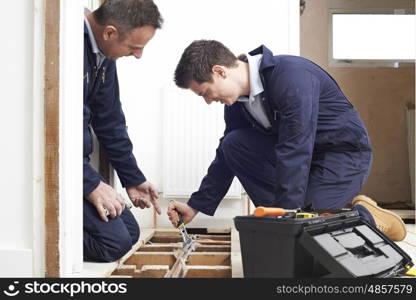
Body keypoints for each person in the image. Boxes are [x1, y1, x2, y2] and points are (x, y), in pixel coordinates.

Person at [167, 40, 406, 242]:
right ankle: (288, 220)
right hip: (301, 157)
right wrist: (195, 205)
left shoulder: (291, 76)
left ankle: (367, 216)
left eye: (205, 92)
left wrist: (287, 219)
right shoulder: (237, 104)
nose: (208, 101)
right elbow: (225, 158)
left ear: (219, 71)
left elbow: (295, 147)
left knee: (306, 229)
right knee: (233, 144)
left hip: (341, 157)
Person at [83, 0, 163, 262]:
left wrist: (132, 179)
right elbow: (56, 135)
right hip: (65, 169)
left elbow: (110, 122)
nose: (138, 55)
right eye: (134, 47)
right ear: (109, 32)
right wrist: (90, 184)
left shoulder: (104, 54)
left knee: (129, 232)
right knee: (112, 244)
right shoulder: (70, 47)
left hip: (78, 169)